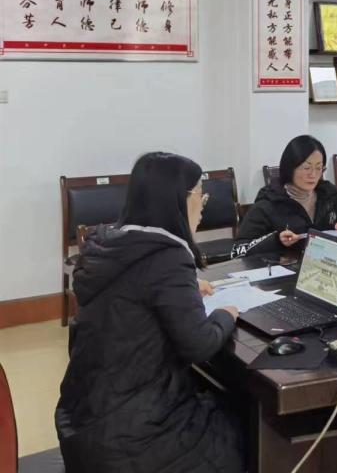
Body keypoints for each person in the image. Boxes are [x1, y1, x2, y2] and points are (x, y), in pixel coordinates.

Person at [56, 152, 245, 473]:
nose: (203, 206)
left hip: (83, 422)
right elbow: (199, 345)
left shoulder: (113, 245)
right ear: (178, 199)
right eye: (201, 196)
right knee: (245, 427)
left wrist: (184, 288)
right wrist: (226, 314)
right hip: (132, 441)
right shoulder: (167, 256)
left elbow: (134, 293)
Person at [238, 134, 337, 250]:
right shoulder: (268, 203)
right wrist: (277, 241)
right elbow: (239, 248)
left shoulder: (329, 195)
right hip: (284, 261)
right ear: (290, 168)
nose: (313, 175)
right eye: (307, 168)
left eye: (319, 168)